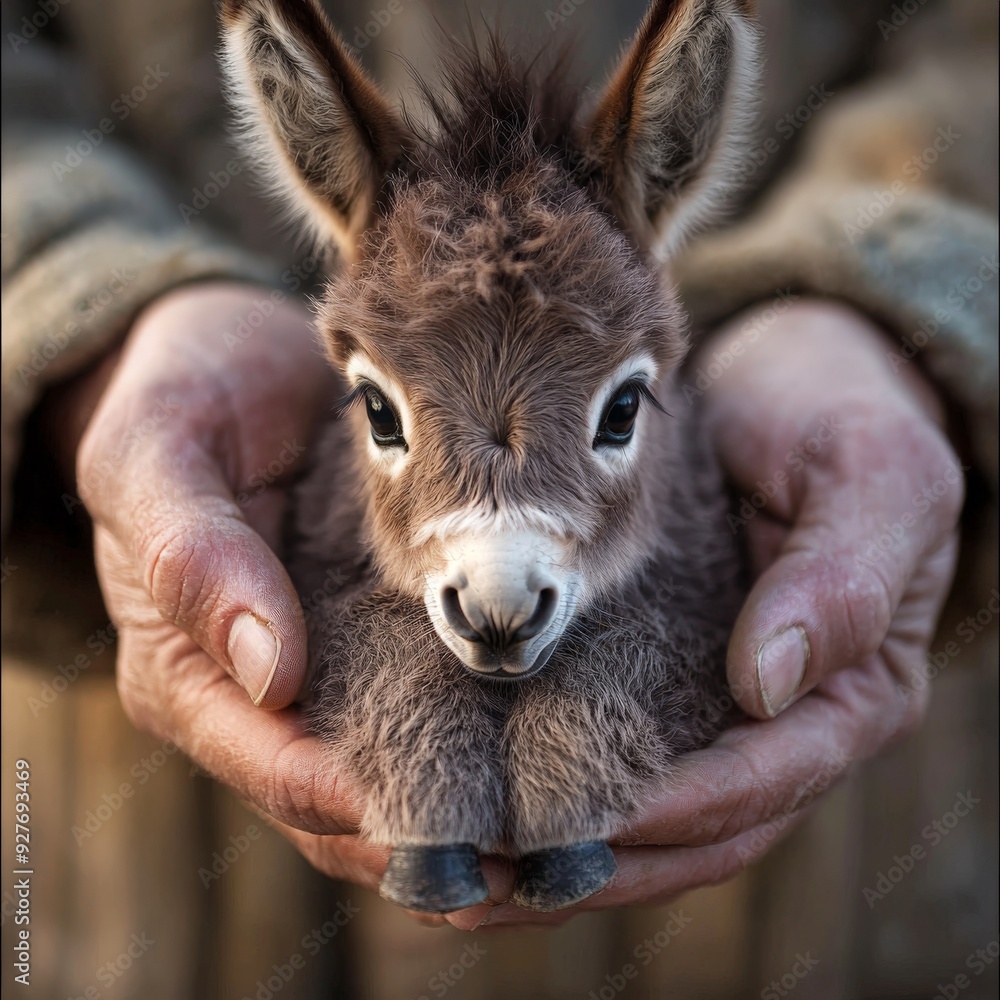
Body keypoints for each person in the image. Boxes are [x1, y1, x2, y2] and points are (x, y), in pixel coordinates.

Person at [2, 1, 996, 997]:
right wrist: (82, 311)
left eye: (617, 414)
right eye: (380, 414)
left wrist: (892, 294)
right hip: (149, 891)